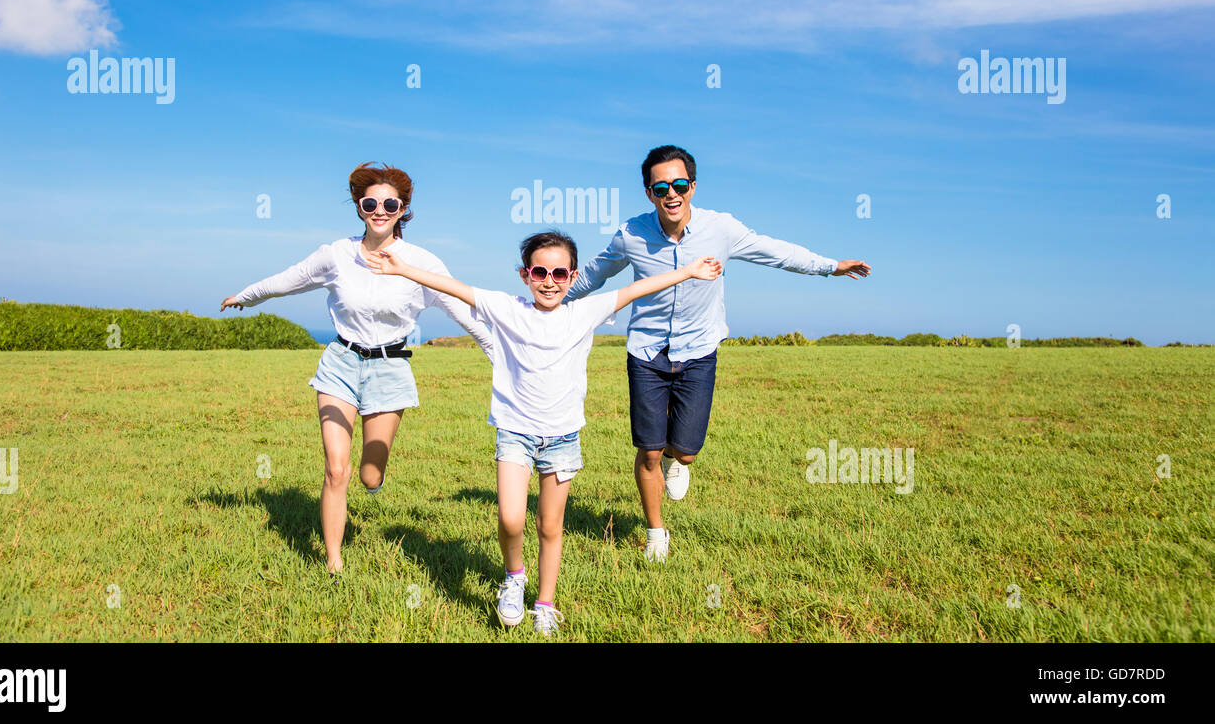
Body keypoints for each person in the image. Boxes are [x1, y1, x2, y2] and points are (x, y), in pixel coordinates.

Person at [364, 230, 722, 635]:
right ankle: (514, 577)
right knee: (511, 517)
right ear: (524, 274)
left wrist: (690, 271)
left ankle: (545, 603)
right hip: (514, 433)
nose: (549, 281)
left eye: (559, 273)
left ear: (572, 276)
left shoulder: (583, 312)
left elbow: (636, 287)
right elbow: (456, 288)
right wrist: (404, 268)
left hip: (563, 439)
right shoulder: (507, 308)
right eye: (539, 271)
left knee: (551, 526)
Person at [566, 145, 871, 562]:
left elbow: (774, 252)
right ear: (649, 192)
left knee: (685, 451)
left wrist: (829, 266)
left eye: (678, 185)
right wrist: (544, 300)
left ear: (691, 186)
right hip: (647, 352)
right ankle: (656, 531)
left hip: (698, 350)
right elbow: (592, 277)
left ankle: (680, 457)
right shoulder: (631, 235)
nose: (670, 194)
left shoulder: (720, 229)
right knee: (649, 449)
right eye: (660, 187)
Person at [220, 162, 493, 576]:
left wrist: (501, 357)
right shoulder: (336, 254)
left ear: (403, 208)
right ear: (359, 207)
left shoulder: (422, 262)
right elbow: (287, 281)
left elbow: (465, 314)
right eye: (370, 202)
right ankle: (333, 563)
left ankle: (373, 476)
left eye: (390, 203)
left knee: (368, 475)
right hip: (341, 363)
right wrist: (246, 296)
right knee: (335, 467)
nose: (379, 209)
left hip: (390, 367)